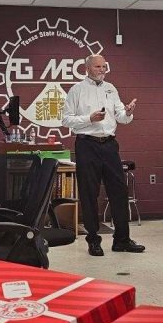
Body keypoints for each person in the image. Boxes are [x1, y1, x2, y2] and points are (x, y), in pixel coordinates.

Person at [62, 55, 143, 257]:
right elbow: (66, 119)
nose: (102, 70)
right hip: (86, 144)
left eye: (104, 66)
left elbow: (121, 118)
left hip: (109, 145)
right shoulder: (77, 90)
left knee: (119, 191)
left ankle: (122, 240)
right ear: (87, 68)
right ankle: (93, 241)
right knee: (89, 193)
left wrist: (128, 112)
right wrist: (89, 119)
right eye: (98, 66)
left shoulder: (111, 89)